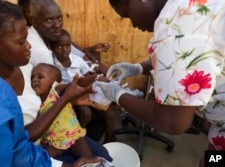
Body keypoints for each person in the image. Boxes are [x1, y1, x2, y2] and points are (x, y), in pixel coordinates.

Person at [0, 0, 112, 164]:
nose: (29, 46)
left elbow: (46, 93)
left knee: (103, 155)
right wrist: (65, 99)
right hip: (37, 151)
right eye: (21, 42)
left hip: (49, 136)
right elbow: (19, 143)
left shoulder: (24, 68)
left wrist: (74, 89)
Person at [95, 0, 225, 166]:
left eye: (128, 14)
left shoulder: (174, 30)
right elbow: (196, 59)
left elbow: (172, 122)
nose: (133, 24)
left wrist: (118, 95)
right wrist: (138, 68)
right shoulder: (188, 7)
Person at [50, 29, 114, 143]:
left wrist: (96, 78)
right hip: (71, 98)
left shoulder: (77, 60)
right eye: (60, 47)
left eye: (67, 46)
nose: (64, 50)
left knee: (110, 115)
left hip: (87, 92)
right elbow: (60, 90)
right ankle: (79, 139)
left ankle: (109, 142)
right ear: (53, 48)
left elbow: (88, 73)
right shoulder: (54, 67)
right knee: (86, 113)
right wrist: (95, 78)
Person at [31, 63, 94, 159]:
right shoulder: (34, 101)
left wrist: (96, 78)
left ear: (53, 82)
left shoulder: (56, 90)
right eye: (32, 77)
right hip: (52, 142)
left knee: (88, 158)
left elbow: (78, 84)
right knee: (42, 159)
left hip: (74, 137)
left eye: (40, 77)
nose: (34, 79)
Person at [28, 0, 109, 69]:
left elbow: (80, 55)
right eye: (49, 20)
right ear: (34, 21)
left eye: (59, 18)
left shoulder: (48, 37)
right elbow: (52, 86)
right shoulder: (40, 52)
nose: (57, 25)